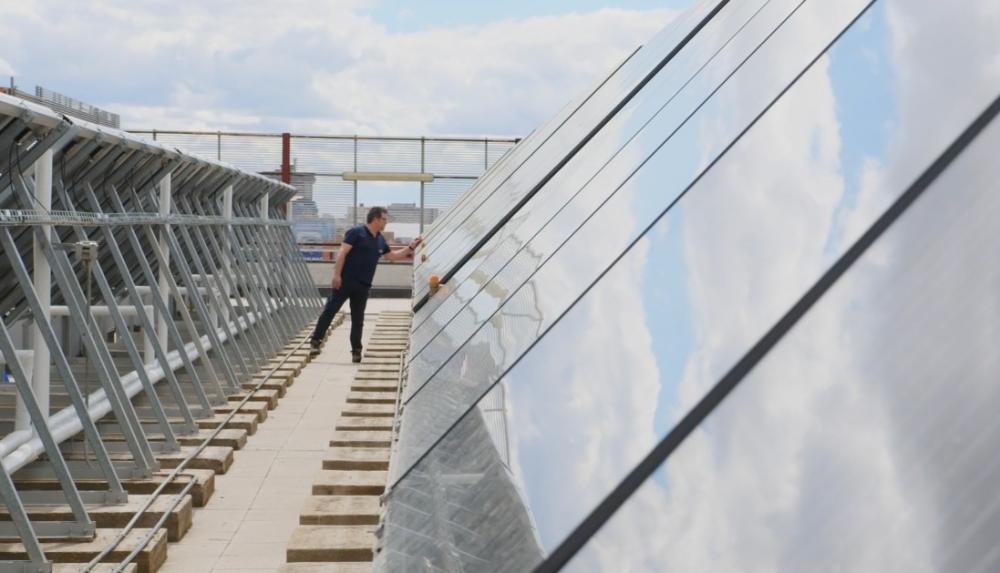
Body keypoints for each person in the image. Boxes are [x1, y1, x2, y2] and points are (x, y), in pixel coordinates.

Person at [309, 206, 420, 362]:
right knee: (330, 310)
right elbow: (342, 253)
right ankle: (315, 340)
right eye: (384, 219)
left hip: (363, 286)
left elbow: (392, 256)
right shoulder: (356, 233)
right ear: (375, 218)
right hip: (345, 281)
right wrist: (336, 275)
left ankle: (356, 350)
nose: (386, 222)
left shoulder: (380, 239)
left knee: (358, 319)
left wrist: (411, 247)